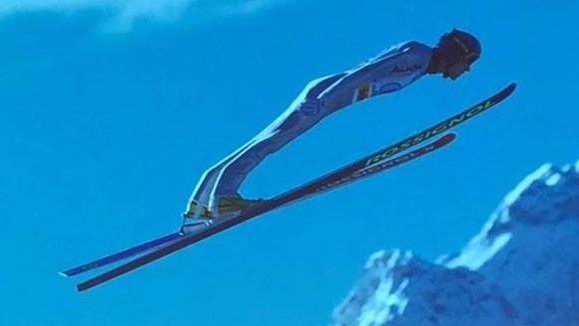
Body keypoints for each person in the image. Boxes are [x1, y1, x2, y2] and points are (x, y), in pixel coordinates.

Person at [182, 29, 481, 228]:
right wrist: (322, 100)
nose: (465, 70)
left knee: (265, 141)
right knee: (270, 143)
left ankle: (200, 208)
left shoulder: (420, 66)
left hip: (328, 96)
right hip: (325, 96)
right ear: (456, 54)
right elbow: (367, 72)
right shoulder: (417, 55)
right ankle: (223, 199)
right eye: (467, 62)